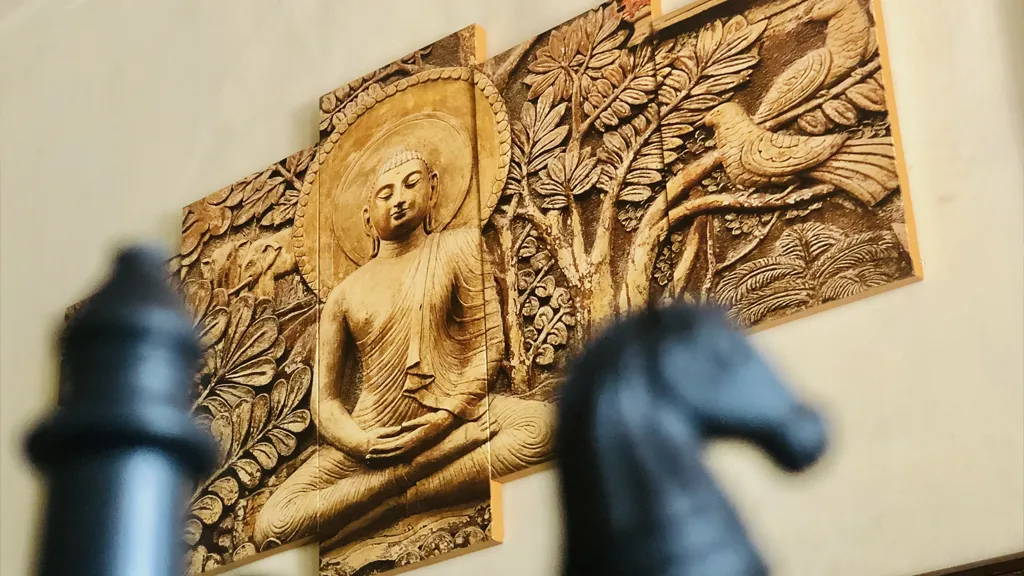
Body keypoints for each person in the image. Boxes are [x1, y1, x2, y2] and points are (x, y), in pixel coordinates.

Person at [254, 149, 552, 547]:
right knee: (274, 524)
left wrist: (444, 419)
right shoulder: (343, 294)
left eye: (412, 184)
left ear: (433, 190)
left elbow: (487, 346)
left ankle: (400, 500)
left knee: (543, 430)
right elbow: (325, 403)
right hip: (375, 435)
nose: (399, 198)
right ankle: (403, 479)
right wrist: (364, 444)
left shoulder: (459, 246)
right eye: (386, 193)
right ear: (366, 218)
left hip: (456, 414)